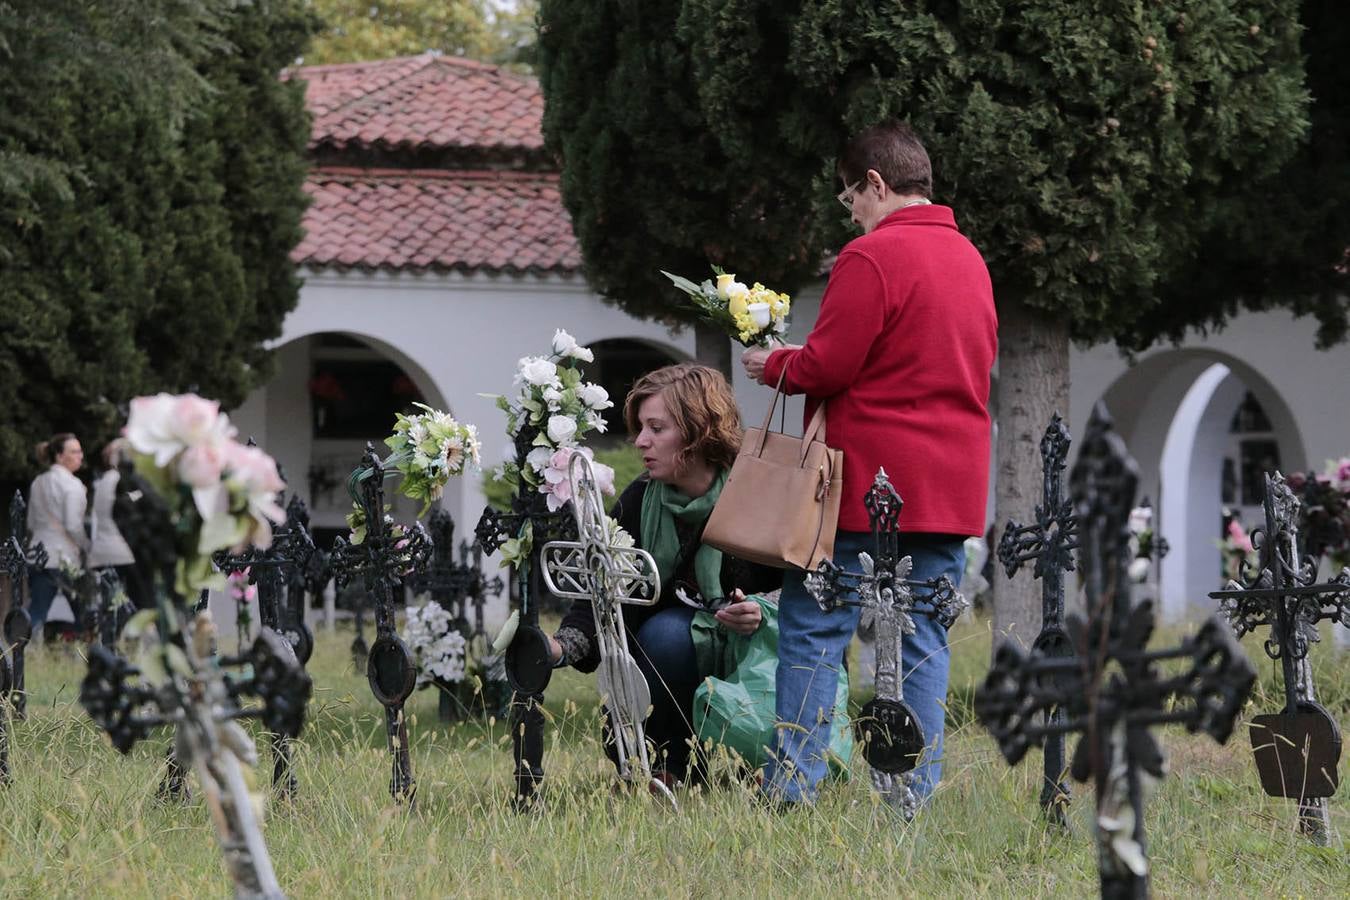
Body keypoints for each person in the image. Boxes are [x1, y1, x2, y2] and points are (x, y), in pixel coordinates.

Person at [742, 121, 997, 806]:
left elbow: (831, 363)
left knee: (816, 625)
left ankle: (793, 785)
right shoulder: (970, 259)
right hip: (946, 487)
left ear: (877, 185)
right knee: (923, 639)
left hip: (864, 484)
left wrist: (775, 363)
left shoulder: (872, 257)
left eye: (849, 196)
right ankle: (913, 794)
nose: (850, 211)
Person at [547, 364, 782, 787]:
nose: (641, 442)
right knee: (667, 636)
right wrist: (560, 647)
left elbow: (805, 589)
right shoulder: (641, 498)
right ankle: (672, 765)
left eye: (657, 428)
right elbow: (605, 589)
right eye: (641, 428)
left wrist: (761, 610)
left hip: (758, 645)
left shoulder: (757, 491)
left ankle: (770, 764)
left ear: (699, 430)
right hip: (679, 647)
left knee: (764, 647)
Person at [26, 433, 90, 633]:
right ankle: (86, 657)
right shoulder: (73, 485)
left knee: (36, 612)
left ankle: (18, 655)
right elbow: (73, 525)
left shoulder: (38, 482)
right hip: (65, 558)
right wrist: (87, 546)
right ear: (60, 456)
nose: (80, 455)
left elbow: (30, 522)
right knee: (83, 615)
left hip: (37, 554)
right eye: (74, 451)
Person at [88, 439, 151, 611]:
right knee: (138, 602)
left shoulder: (103, 481)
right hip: (123, 553)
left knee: (110, 607)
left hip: (102, 551)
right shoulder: (122, 481)